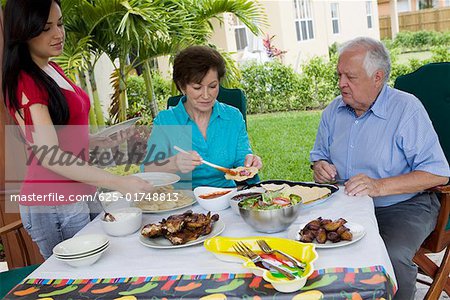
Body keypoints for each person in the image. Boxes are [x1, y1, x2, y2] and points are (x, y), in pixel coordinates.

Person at [2, 0, 154, 259]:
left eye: (60, 24)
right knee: (76, 281)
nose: (58, 33)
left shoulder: (51, 67)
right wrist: (119, 182)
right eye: (45, 28)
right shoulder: (26, 81)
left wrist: (99, 141)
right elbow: (49, 154)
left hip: (82, 189)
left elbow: (62, 134)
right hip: (53, 202)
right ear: (23, 31)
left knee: (100, 266)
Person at [310, 36, 450, 299]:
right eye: (339, 75)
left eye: (350, 77)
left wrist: (378, 186)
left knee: (392, 254)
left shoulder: (406, 109)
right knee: (311, 244)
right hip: (345, 205)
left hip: (402, 206)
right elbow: (319, 156)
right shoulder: (333, 112)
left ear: (378, 77)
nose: (341, 84)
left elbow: (437, 172)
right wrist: (319, 166)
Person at [141, 45, 262, 188]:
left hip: (226, 196)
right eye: (197, 88)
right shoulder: (166, 121)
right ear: (182, 87)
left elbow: (242, 158)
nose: (206, 95)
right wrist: (173, 163)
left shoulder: (233, 117)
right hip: (183, 201)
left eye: (212, 86)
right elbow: (147, 169)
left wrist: (249, 162)